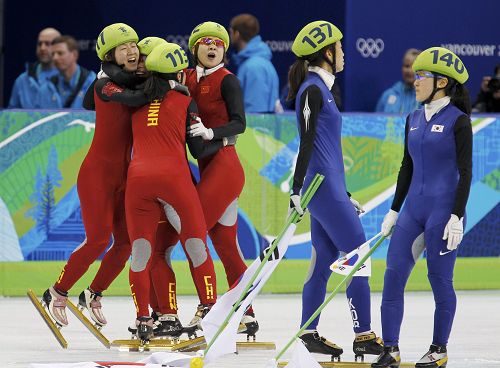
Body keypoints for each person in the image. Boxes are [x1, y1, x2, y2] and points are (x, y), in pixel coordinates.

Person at [287, 21, 383, 360]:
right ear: (328, 53)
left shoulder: (320, 88)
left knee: (323, 260)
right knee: (360, 259)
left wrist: (344, 193)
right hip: (320, 188)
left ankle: (308, 333)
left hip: (327, 188)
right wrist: (297, 189)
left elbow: (325, 148)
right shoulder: (313, 89)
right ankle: (364, 335)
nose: (344, 54)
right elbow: (308, 142)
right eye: (340, 48)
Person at [372, 47, 473, 368]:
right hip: (412, 212)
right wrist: (392, 210)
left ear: (441, 82)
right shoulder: (412, 118)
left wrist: (457, 215)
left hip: (444, 212)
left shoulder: (459, 122)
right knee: (392, 276)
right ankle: (391, 349)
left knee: (439, 279)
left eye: (422, 77)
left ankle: (438, 349)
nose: (415, 82)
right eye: (415, 76)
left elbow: (466, 171)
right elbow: (406, 167)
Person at [42, 23, 143, 329]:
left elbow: (88, 102)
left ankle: (93, 293)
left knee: (126, 243)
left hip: (125, 175)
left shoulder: (109, 80)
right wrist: (155, 80)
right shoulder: (105, 85)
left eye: (134, 46)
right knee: (99, 239)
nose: (132, 51)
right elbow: (131, 99)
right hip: (97, 174)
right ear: (109, 56)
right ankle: (57, 292)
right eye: (123, 47)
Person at [126, 42, 228, 341]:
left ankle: (144, 319)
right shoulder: (185, 99)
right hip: (174, 180)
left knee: (141, 253)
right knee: (196, 245)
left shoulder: (134, 101)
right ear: (178, 73)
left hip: (138, 181)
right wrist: (221, 140)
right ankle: (210, 308)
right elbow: (197, 148)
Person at [229, 14, 280, 113]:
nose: (230, 37)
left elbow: (255, 112)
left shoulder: (253, 67)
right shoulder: (255, 63)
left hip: (255, 128)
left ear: (237, 34)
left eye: (231, 32)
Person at [37, 35, 95, 108]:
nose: (55, 58)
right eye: (53, 54)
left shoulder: (92, 84)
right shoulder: (46, 89)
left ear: (74, 55)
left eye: (60, 53)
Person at [8, 27, 61, 108]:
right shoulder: (22, 81)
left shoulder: (67, 78)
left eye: (47, 44)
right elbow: (12, 116)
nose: (42, 48)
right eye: (40, 44)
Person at [376, 48, 421, 114]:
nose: (409, 71)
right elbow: (377, 121)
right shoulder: (388, 95)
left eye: (413, 67)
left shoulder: (427, 98)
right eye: (406, 66)